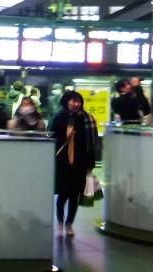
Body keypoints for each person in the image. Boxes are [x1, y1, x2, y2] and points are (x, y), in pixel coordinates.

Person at [51, 90, 97, 237]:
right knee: (62, 195)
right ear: (66, 102)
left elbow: (92, 144)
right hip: (62, 163)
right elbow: (52, 139)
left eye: (79, 101)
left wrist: (91, 163)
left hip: (80, 163)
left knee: (75, 196)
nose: (76, 104)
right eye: (73, 101)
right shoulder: (58, 118)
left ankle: (69, 224)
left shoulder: (87, 119)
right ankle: (59, 223)